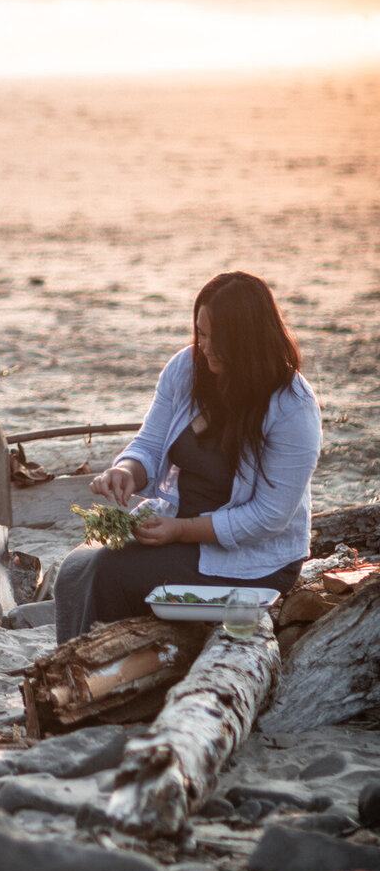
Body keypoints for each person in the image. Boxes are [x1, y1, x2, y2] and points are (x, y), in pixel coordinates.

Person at [54, 271, 321, 643]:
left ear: (246, 341)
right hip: (179, 532)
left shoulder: (293, 406)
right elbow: (148, 444)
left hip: (254, 560)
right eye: (201, 333)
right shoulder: (185, 369)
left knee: (107, 570)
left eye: (215, 338)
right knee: (74, 567)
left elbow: (268, 517)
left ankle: (93, 676)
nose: (204, 346)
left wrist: (181, 530)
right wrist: (126, 471)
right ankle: (74, 665)